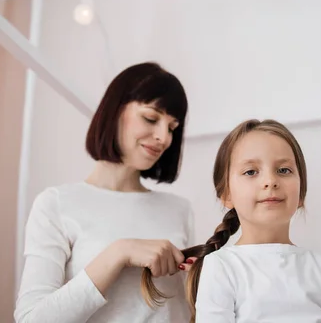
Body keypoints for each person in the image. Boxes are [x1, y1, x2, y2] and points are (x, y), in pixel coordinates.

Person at [14, 62, 196, 323]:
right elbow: (31, 320)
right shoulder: (56, 204)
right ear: (115, 110)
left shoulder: (180, 209)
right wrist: (119, 253)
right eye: (151, 118)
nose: (163, 138)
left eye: (172, 128)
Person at [144, 119, 321, 322]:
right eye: (251, 172)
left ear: (301, 193)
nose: (270, 181)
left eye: (284, 170)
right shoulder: (221, 268)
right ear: (227, 194)